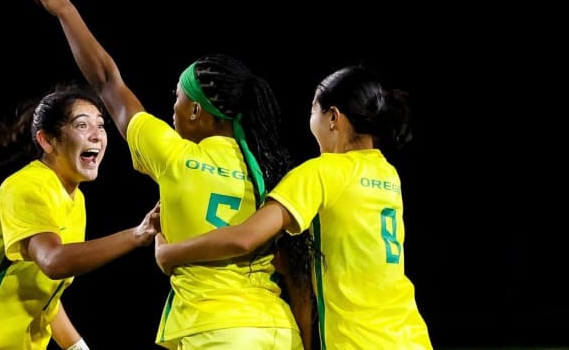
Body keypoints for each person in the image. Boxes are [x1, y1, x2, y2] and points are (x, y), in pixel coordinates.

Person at [34, 0, 315, 350]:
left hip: (212, 331)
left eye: (178, 98)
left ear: (197, 111)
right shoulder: (268, 170)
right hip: (278, 331)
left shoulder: (172, 153)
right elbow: (297, 274)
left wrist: (65, 11)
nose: (173, 106)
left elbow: (106, 81)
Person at [155, 64, 434, 349]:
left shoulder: (322, 172)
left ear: (333, 118)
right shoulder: (387, 175)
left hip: (359, 341)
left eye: (313, 109)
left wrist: (169, 253)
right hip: (411, 335)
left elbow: (245, 237)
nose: (310, 120)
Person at [0, 82, 160, 350]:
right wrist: (137, 235)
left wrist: (77, 347)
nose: (96, 135)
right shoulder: (28, 186)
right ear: (47, 140)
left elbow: (42, 293)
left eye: (101, 125)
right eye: (82, 125)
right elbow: (53, 262)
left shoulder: (75, 198)